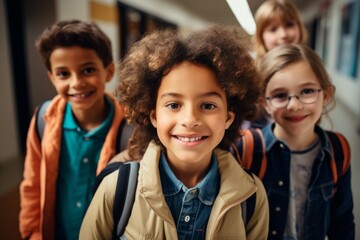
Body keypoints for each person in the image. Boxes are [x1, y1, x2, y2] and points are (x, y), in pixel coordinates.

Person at [79, 25, 269, 239]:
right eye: (173, 105)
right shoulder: (116, 188)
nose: (189, 120)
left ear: (228, 118)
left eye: (207, 105)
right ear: (153, 116)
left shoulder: (251, 197)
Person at [19, 19, 126, 240]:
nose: (76, 83)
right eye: (63, 74)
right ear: (51, 77)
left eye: (88, 70)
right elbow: (32, 186)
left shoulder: (129, 129)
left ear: (109, 71)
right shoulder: (43, 120)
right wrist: (32, 234)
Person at [256, 44, 355, 239]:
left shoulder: (338, 150)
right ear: (265, 103)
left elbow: (342, 221)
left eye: (307, 91)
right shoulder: (249, 150)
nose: (294, 105)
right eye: (280, 95)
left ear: (325, 96)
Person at [245, 0, 308, 129]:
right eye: (273, 29)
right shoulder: (249, 72)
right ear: (261, 36)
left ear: (299, 28)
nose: (283, 34)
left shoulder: (310, 67)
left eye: (289, 25)